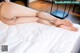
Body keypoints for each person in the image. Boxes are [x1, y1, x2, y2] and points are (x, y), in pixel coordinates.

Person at [0, 2, 78, 31]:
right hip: (4, 7)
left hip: (5, 20)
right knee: (37, 13)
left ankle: (55, 25)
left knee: (36, 19)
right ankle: (56, 20)